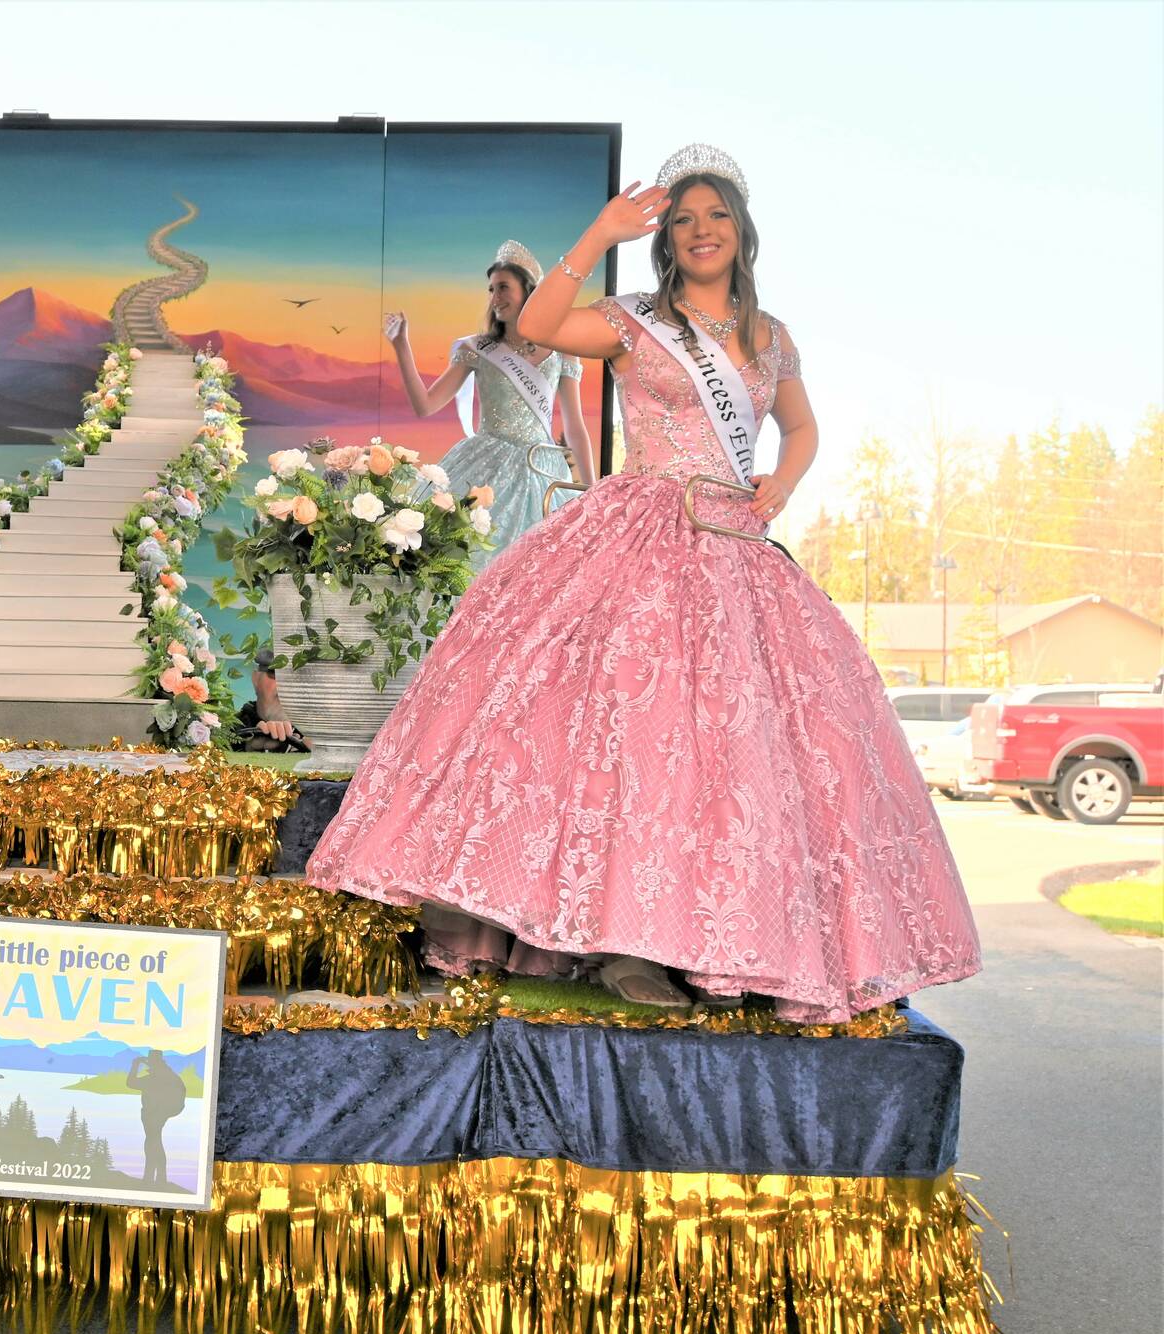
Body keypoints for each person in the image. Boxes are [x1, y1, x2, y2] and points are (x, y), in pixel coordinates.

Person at [307, 146, 980, 1022]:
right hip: (640, 533)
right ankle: (625, 942)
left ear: (741, 232)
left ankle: (726, 939)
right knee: (629, 727)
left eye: (717, 216)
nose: (702, 230)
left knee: (735, 755)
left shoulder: (770, 336)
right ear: (669, 237)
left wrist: (784, 479)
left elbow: (803, 424)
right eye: (686, 218)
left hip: (737, 547)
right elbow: (544, 328)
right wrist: (598, 234)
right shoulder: (632, 320)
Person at [383, 240, 597, 565]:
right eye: (491, 289)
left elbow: (574, 426)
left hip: (543, 470)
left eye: (503, 288)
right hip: (485, 466)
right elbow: (425, 405)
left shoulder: (562, 349)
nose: (495, 298)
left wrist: (593, 492)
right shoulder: (479, 348)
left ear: (529, 291)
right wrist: (402, 347)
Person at [124, 1049, 187, 1186]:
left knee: (152, 1143)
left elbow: (131, 1082)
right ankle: (158, 1178)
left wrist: (135, 1065)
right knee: (154, 1142)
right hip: (158, 1113)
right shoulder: (169, 1074)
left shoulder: (156, 1077)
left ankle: (151, 1178)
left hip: (154, 1114)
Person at [232, 648, 307, 753]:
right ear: (256, 679)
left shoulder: (322, 734)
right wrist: (247, 747)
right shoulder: (227, 729)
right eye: (275, 674)